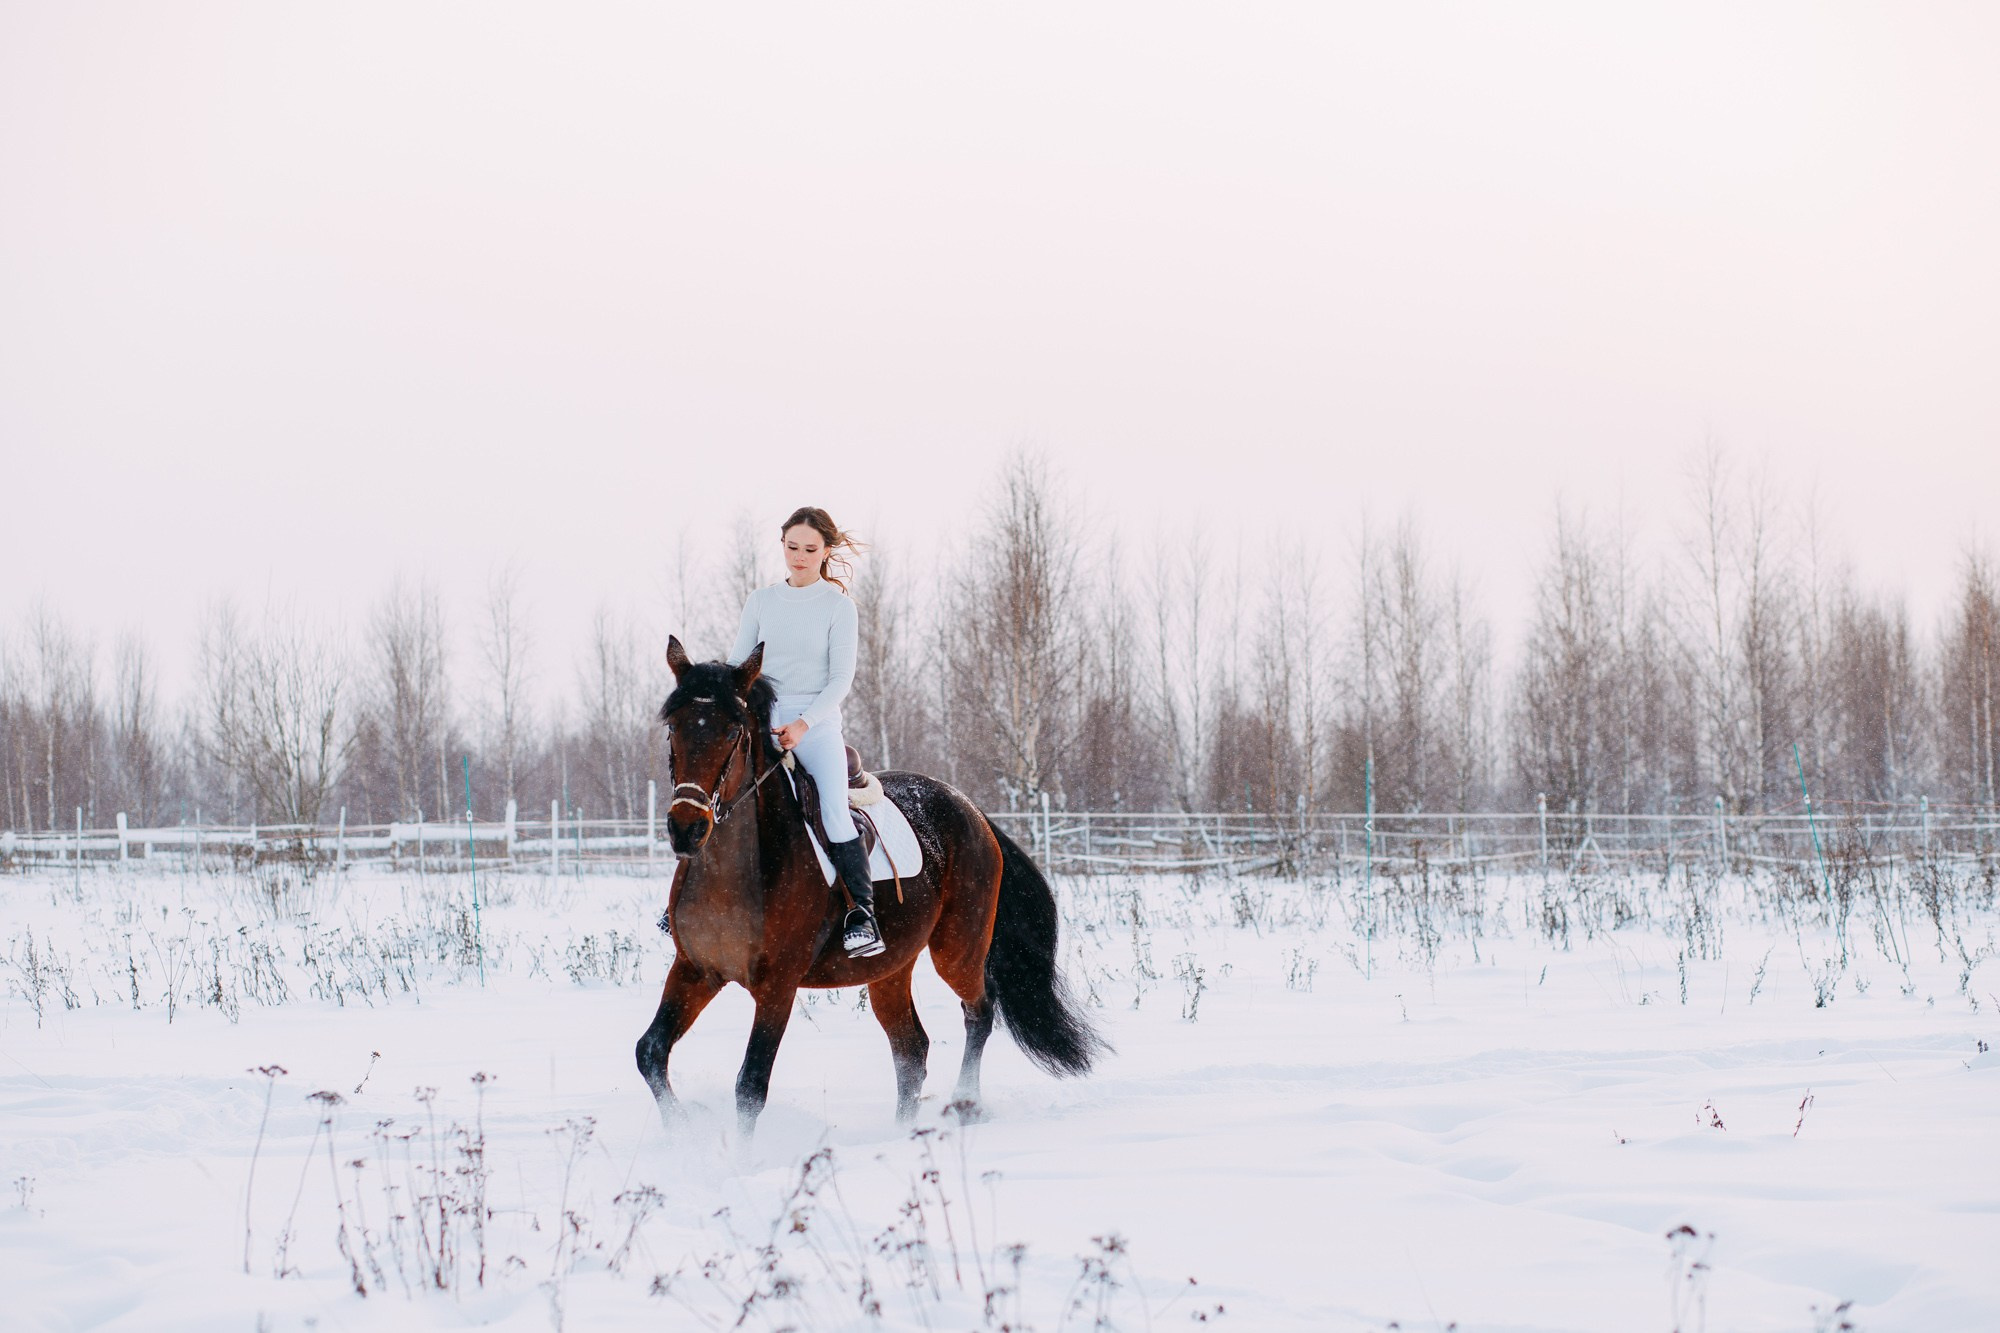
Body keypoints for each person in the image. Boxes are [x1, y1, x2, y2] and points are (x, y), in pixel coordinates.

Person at [726, 506, 884, 958]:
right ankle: (686, 899)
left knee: (833, 811)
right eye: (792, 547)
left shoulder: (838, 607)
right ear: (782, 544)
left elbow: (840, 680)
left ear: (826, 551)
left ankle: (862, 914)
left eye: (810, 550)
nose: (799, 557)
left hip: (815, 723)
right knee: (722, 796)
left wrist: (803, 724)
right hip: (761, 718)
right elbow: (739, 665)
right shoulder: (760, 601)